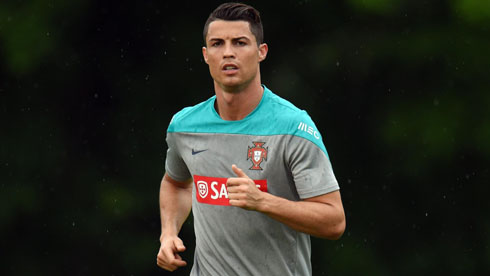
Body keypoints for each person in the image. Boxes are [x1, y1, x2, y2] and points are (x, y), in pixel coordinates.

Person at [156, 2, 346, 275]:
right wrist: (168, 233)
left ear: (261, 52)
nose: (228, 52)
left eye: (240, 42)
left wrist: (263, 202)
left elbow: (334, 221)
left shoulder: (292, 126)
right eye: (218, 43)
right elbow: (176, 183)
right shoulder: (184, 126)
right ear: (206, 55)